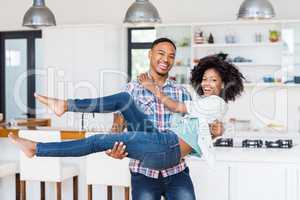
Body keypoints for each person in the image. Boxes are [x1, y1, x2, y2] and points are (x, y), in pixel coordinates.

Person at [10, 55, 245, 186]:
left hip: (168, 149)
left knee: (98, 140)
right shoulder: (205, 103)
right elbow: (199, 127)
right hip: (164, 141)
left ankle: (37, 148)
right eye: (205, 79)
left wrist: (152, 88)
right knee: (124, 99)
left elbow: (174, 106)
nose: (206, 84)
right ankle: (65, 105)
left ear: (223, 85)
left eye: (213, 81)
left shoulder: (216, 102)